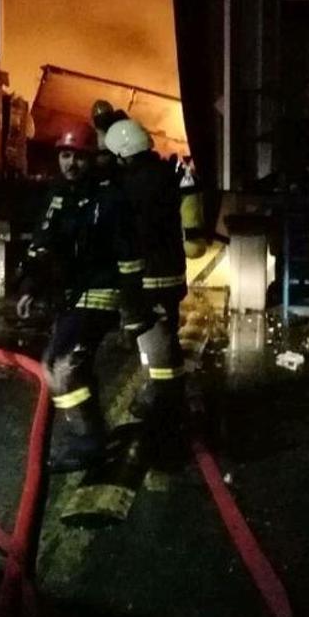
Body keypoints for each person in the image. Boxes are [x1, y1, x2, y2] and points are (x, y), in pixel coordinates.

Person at [16, 120, 144, 472]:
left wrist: (131, 307)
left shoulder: (110, 198)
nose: (71, 164)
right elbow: (44, 245)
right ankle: (93, 433)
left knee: (60, 366)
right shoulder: (59, 195)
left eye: (79, 157)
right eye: (65, 155)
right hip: (71, 293)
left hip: (100, 292)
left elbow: (128, 255)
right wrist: (31, 286)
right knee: (72, 366)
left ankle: (87, 442)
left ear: (93, 159)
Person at [103, 118, 187, 424]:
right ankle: (167, 393)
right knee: (165, 334)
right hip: (171, 270)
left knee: (154, 336)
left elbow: (128, 231)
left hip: (150, 274)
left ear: (123, 153)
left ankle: (162, 399)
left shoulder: (133, 185)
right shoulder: (163, 175)